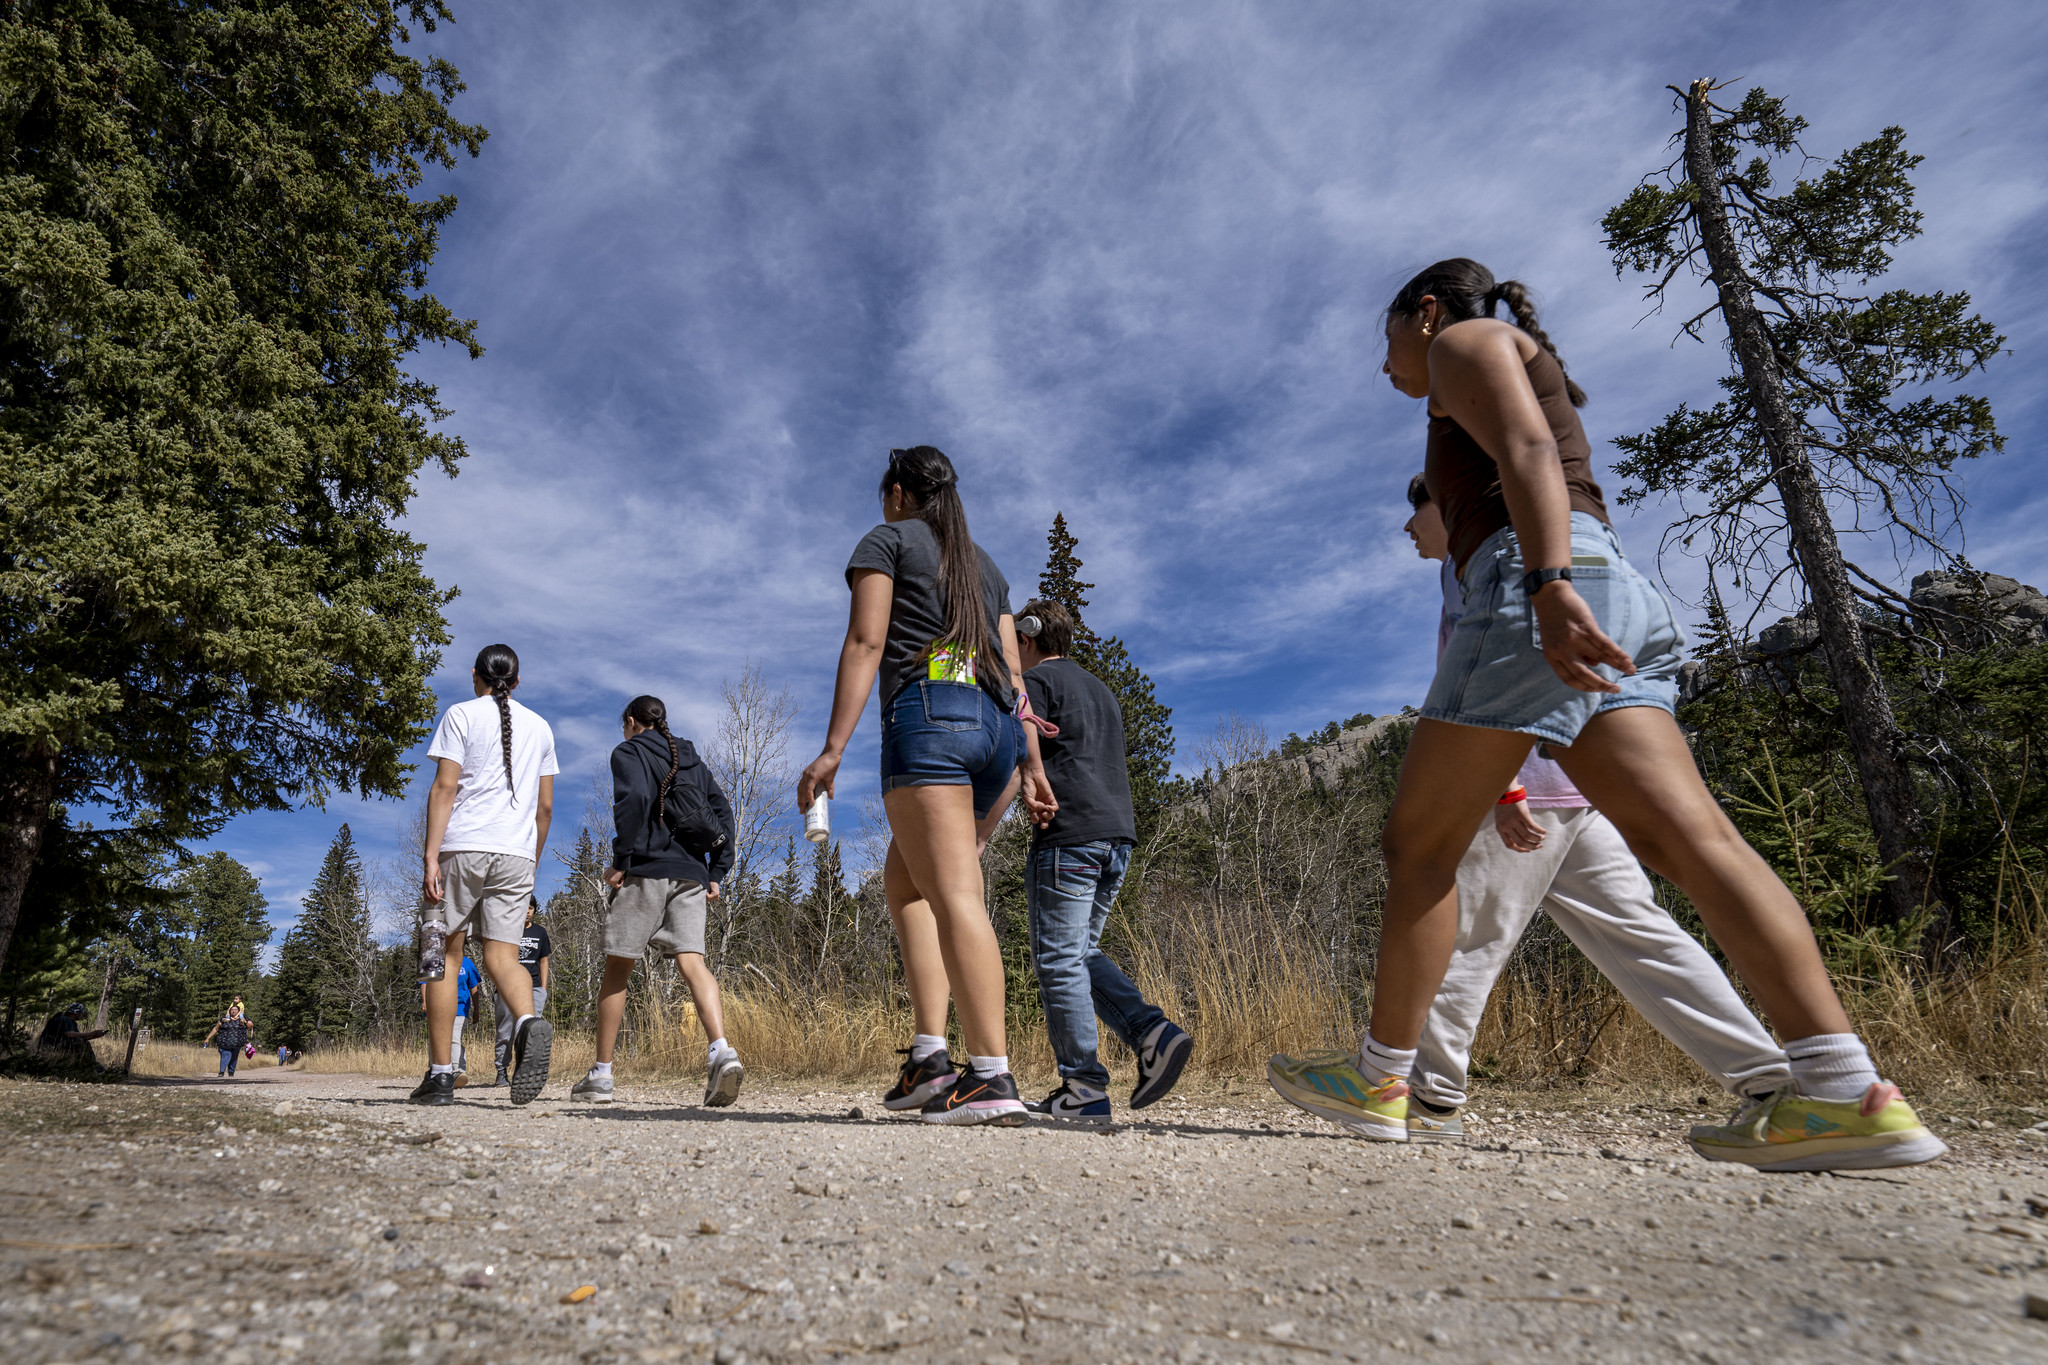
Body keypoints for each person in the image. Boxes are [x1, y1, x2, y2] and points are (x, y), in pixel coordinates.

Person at [1268, 259, 1943, 1171]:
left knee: (1419, 847)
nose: (1385, 363)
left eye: (1386, 338)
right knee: (1689, 841)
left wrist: (1545, 584)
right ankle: (1844, 1090)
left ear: (1423, 313)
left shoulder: (1465, 341)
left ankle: (1383, 1078)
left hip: (1536, 579)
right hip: (1607, 580)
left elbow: (1529, 452)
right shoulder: (1509, 348)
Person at [1389, 475, 1791, 1139]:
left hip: (1525, 786)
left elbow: (1498, 672)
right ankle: (1770, 1078)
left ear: (1453, 504)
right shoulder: (1528, 549)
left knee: (1465, 941)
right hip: (1577, 786)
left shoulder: (1477, 559)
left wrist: (1505, 788)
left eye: (1419, 509)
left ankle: (1429, 1099)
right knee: (1645, 939)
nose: (1410, 527)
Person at [798, 446, 1057, 1127]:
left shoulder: (887, 540)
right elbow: (1014, 674)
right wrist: (1029, 763)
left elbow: (865, 641)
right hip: (995, 731)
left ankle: (993, 1075)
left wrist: (832, 750)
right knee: (906, 881)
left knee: (954, 895)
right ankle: (930, 1057)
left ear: (898, 492)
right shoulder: (986, 566)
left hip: (932, 716)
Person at [1012, 599, 1192, 1121]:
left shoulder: (1038, 686)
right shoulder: (1101, 691)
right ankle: (1152, 1032)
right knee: (1080, 952)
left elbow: (1015, 744)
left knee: (1058, 960)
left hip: (1068, 836)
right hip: (1116, 837)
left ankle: (1083, 1086)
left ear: (1027, 635)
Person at [572, 695, 743, 1107]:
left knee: (619, 966)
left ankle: (602, 1075)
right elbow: (722, 811)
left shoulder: (627, 752)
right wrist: (717, 870)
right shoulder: (689, 758)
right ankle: (721, 1050)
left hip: (646, 870)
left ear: (631, 721)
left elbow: (631, 803)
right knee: (693, 962)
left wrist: (621, 861)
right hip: (691, 873)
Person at [416, 642, 559, 1107]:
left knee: (444, 957)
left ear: (475, 675)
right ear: (517, 682)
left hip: (463, 847)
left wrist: (430, 855)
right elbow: (545, 808)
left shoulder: (460, 715)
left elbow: (445, 786)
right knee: (503, 957)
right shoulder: (541, 727)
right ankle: (526, 1021)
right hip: (516, 855)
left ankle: (441, 1076)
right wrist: (530, 863)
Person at [489, 898, 552, 1087]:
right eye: (523, 908)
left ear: (534, 910)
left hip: (533, 988)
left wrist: (543, 988)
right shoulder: (505, 930)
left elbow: (544, 960)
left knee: (531, 1032)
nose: (527, 911)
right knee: (506, 1031)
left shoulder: (540, 932)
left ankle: (524, 1071)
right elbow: (495, 958)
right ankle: (502, 1070)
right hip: (507, 988)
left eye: (531, 908)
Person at [420, 955, 484, 1087]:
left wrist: (476, 1009)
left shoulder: (466, 962)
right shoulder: (433, 959)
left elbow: (473, 986)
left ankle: (457, 1072)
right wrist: (425, 1001)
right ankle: (435, 1071)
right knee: (436, 1039)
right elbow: (424, 982)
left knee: (454, 1038)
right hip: (436, 1007)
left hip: (459, 1007)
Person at [37, 1003, 104, 1063]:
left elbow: (77, 1036)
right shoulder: (65, 1019)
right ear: (76, 1013)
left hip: (51, 1045)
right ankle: (90, 1065)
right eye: (81, 1012)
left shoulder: (66, 1019)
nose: (83, 1014)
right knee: (81, 1043)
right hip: (51, 1047)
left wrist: (95, 1036)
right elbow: (69, 1034)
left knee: (80, 1041)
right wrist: (92, 1033)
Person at [204, 1005, 251, 1078]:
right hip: (224, 1043)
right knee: (226, 1055)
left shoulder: (243, 1019)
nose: (233, 1011)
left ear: (239, 1011)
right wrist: (208, 1038)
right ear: (229, 1011)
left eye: (235, 1009)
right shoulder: (224, 1019)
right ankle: (222, 1072)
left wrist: (245, 1021)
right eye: (232, 1009)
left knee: (234, 1058)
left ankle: (231, 1072)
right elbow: (216, 1029)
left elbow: (250, 1027)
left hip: (237, 1043)